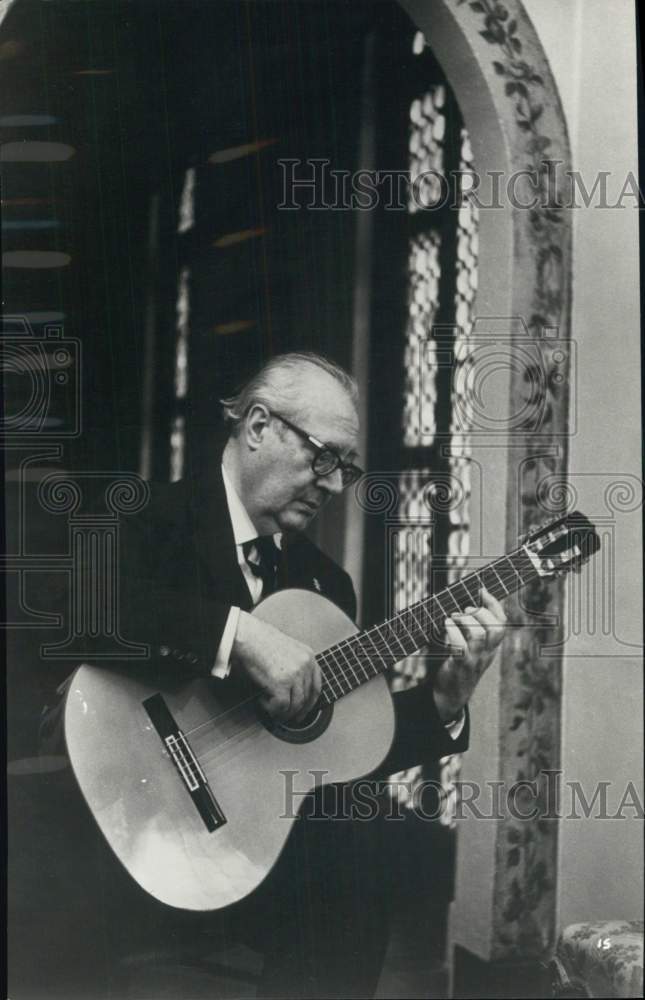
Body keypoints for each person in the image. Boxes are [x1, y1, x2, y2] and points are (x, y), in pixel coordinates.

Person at [45, 351, 507, 998]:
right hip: (112, 825)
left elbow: (337, 754)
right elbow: (77, 606)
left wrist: (445, 697)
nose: (333, 482)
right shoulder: (143, 516)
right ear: (258, 426)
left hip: (244, 855)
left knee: (359, 831)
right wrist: (239, 635)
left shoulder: (324, 584)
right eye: (323, 457)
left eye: (345, 467)